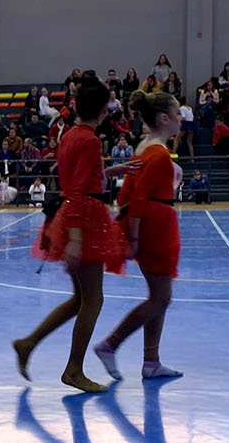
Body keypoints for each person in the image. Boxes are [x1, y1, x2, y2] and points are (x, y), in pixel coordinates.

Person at [14, 74, 139, 392]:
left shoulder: (69, 135)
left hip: (74, 213)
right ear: (102, 111)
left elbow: (76, 179)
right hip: (84, 218)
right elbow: (81, 190)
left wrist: (109, 171)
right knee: (93, 300)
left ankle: (28, 344)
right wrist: (77, 238)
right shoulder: (91, 140)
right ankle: (73, 370)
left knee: (80, 299)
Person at [95, 91, 185, 380]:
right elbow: (137, 198)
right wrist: (133, 238)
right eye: (177, 113)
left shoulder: (145, 147)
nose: (181, 118)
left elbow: (128, 195)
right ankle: (111, 344)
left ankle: (151, 361)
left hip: (154, 222)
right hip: (154, 226)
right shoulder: (156, 153)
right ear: (164, 118)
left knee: (159, 296)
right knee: (161, 299)